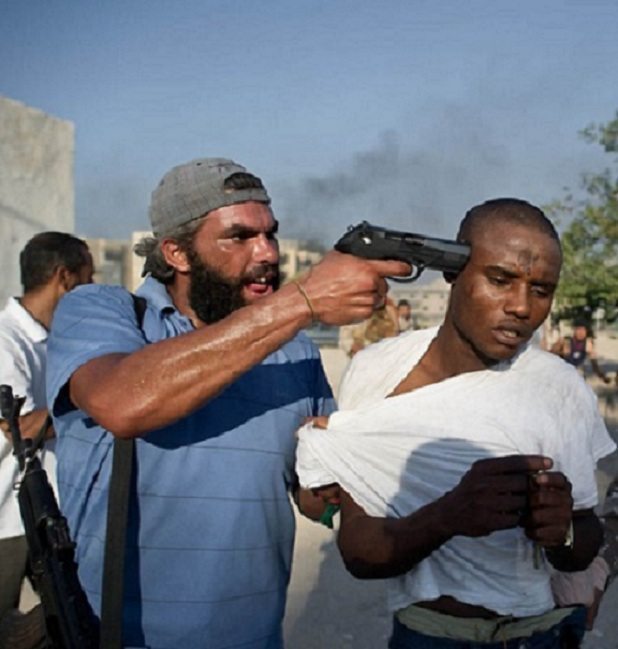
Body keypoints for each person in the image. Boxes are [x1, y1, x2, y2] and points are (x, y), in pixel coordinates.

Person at [46, 157, 409, 649]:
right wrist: (302, 301)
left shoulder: (294, 347)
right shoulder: (103, 312)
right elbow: (121, 402)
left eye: (270, 234)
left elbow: (310, 497)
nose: (266, 253)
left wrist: (347, 478)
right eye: (239, 237)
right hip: (116, 637)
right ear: (175, 252)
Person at [296, 198, 617, 648]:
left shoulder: (558, 387)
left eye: (541, 290)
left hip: (538, 633)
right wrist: (450, 515)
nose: (521, 307)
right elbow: (360, 552)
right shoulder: (378, 371)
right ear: (453, 271)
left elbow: (581, 541)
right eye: (500, 280)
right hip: (428, 635)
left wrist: (559, 529)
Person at [0, 232, 93, 645]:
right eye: (87, 280)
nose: (90, 292)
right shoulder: (5, 343)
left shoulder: (49, 338)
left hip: (42, 514)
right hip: (5, 520)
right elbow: (21, 428)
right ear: (65, 278)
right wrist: (98, 404)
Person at [551, 318, 611, 383]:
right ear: (574, 330)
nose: (581, 332)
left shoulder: (589, 344)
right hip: (562, 373)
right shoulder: (564, 341)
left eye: (583, 330)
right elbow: (549, 356)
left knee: (580, 374)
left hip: (577, 375)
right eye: (578, 329)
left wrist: (602, 377)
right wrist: (561, 353)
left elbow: (594, 365)